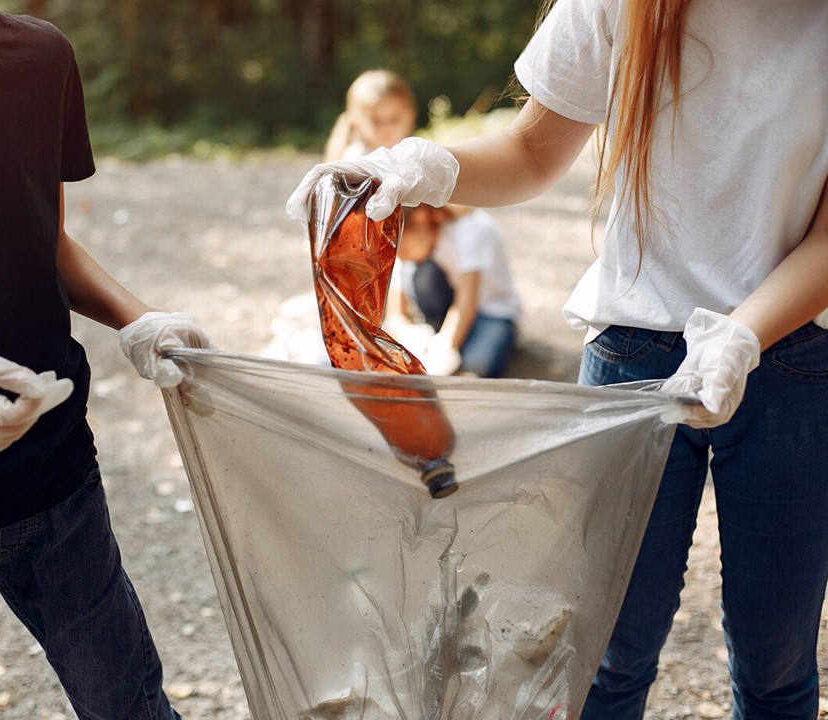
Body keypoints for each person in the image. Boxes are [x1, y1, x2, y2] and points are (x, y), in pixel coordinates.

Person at [287, 1, 828, 717]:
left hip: (793, 361)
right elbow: (534, 151)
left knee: (777, 667)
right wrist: (420, 166)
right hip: (632, 355)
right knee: (604, 655)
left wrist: (743, 333)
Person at [0, 1, 213, 717]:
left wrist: (138, 318)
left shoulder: (39, 59)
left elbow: (45, 239)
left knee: (133, 706)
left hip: (55, 483)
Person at [389, 202, 521, 377]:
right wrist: (405, 332)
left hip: (491, 311)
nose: (399, 254)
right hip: (451, 303)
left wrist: (445, 348)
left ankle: (480, 340)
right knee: (419, 271)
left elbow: (466, 305)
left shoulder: (469, 228)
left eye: (401, 247)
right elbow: (394, 313)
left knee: (478, 364)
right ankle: (440, 334)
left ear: (421, 218)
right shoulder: (418, 239)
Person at [324, 68, 418, 161]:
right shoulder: (356, 161)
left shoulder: (412, 152)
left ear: (411, 115)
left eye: (394, 119)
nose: (386, 128)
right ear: (356, 122)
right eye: (376, 121)